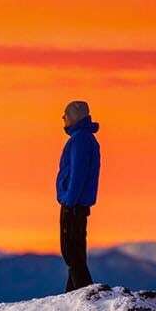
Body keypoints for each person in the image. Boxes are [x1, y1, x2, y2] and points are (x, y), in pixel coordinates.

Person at [56, 100, 100, 292]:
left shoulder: (80, 140)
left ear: (74, 115)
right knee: (75, 254)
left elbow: (78, 173)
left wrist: (68, 200)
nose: (63, 118)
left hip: (73, 205)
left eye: (65, 114)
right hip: (77, 205)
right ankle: (72, 296)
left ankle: (85, 294)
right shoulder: (86, 138)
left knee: (72, 253)